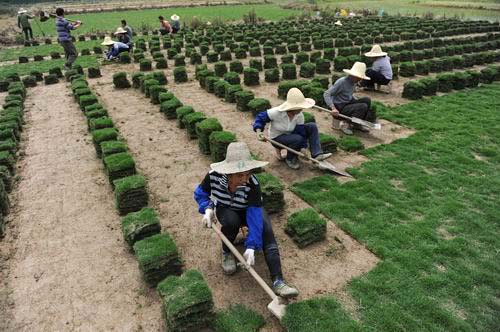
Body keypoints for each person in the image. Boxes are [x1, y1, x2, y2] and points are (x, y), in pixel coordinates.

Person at [193, 142, 299, 298]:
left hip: (250, 210)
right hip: (227, 209)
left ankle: (278, 281)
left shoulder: (252, 184)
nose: (245, 179)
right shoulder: (213, 176)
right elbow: (200, 193)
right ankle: (227, 252)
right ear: (228, 173)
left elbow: (254, 215)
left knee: (266, 231)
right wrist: (207, 208)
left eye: (248, 173)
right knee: (230, 223)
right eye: (240, 175)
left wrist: (251, 245)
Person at [253, 88, 332, 170]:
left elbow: (301, 132)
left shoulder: (299, 115)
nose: (302, 109)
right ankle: (290, 158)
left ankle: (317, 154)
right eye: (299, 107)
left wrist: (303, 148)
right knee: (297, 139)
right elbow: (260, 118)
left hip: (291, 135)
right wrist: (259, 132)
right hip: (277, 138)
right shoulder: (276, 112)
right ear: (292, 107)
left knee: (312, 126)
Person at [323, 62, 376, 135]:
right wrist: (333, 108)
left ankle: (357, 123)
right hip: (339, 107)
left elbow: (347, 95)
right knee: (362, 107)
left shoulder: (353, 82)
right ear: (353, 75)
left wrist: (354, 99)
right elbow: (326, 94)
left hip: (347, 103)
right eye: (359, 77)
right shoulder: (342, 82)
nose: (360, 79)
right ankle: (346, 125)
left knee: (367, 100)